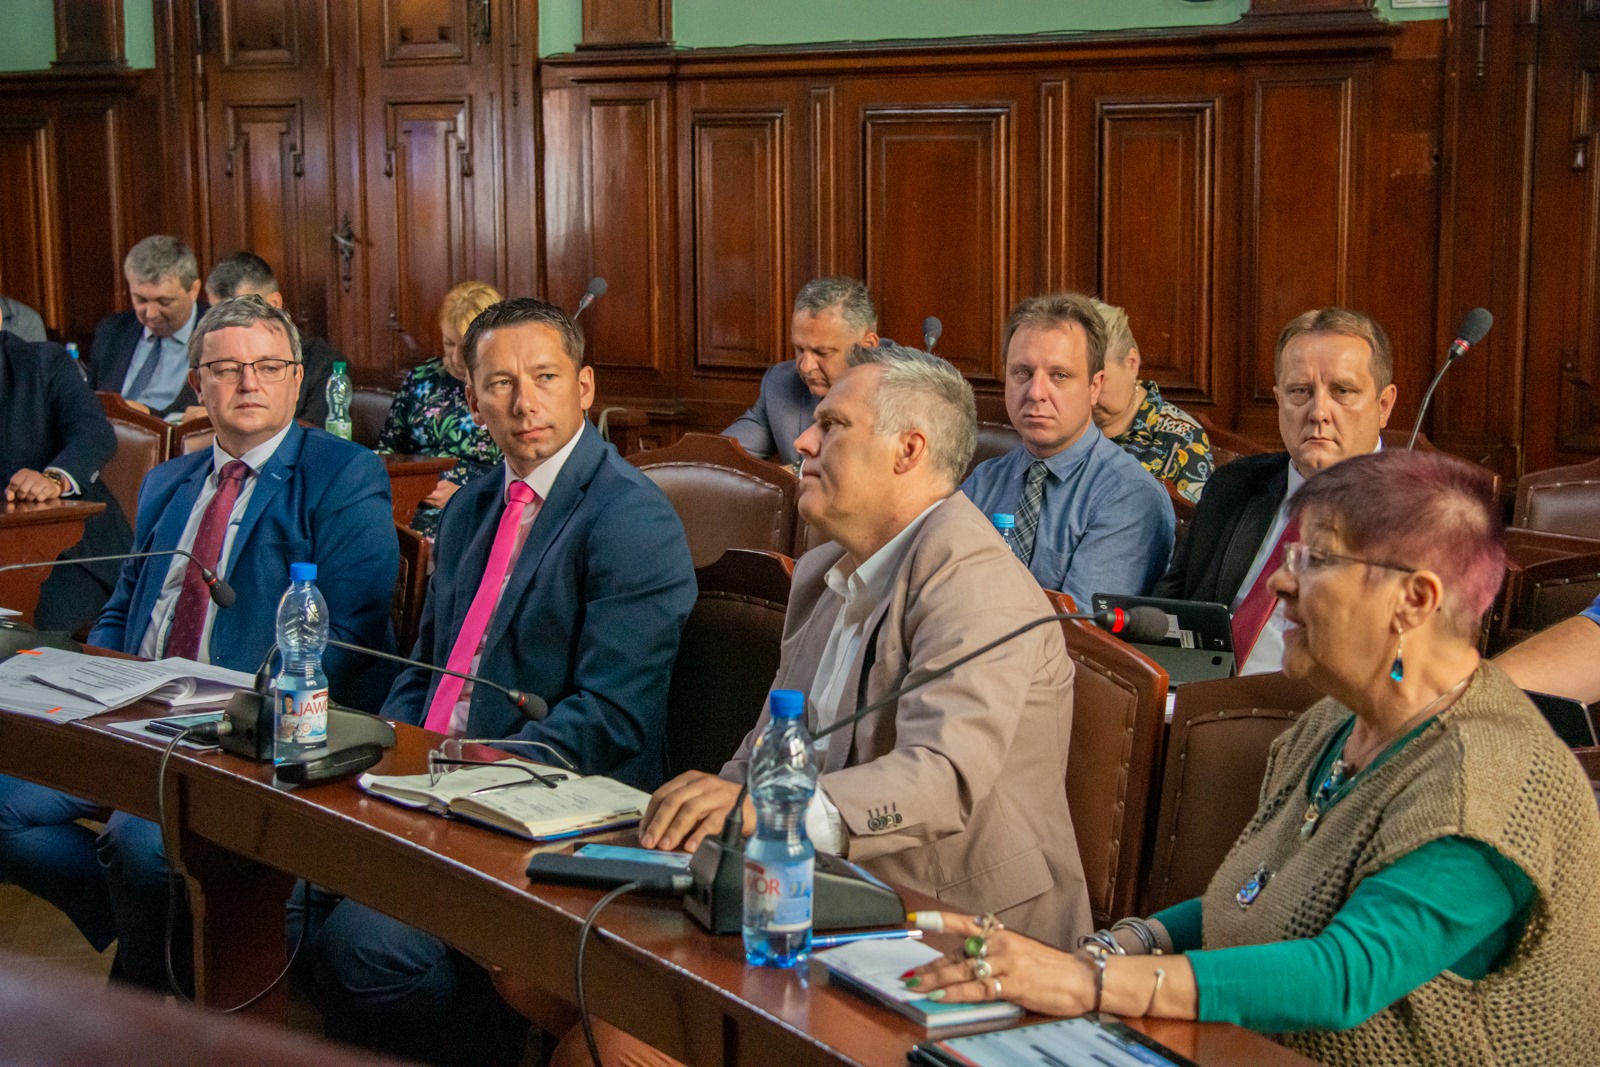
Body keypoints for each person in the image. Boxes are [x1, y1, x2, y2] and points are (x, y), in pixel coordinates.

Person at [908, 449, 1600, 1066]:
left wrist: (1087, 983)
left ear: (1414, 599)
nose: (1279, 583)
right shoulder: (1332, 723)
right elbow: (1253, 896)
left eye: (1316, 560)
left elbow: (1344, 976)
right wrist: (1112, 946)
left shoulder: (1491, 781)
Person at [560, 345, 1091, 1067]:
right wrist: (707, 822)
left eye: (833, 425)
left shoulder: (975, 579)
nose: (804, 441)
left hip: (962, 939)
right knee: (554, 973)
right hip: (825, 903)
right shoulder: (822, 570)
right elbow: (770, 746)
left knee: (613, 1043)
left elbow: (940, 775)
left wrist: (765, 812)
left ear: (909, 450)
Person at [298, 297, 696, 1067]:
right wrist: (393, 753)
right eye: (501, 383)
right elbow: (426, 667)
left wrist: (465, 773)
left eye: (544, 377)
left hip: (549, 810)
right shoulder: (474, 504)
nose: (524, 402)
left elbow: (612, 717)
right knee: (285, 884)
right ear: (473, 397)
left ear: (584, 387)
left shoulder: (630, 518)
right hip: (429, 787)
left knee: (361, 947)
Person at [0, 296, 399, 997]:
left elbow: (350, 638)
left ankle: (152, 986)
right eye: (226, 368)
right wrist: (101, 692)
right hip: (132, 715)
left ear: (295, 378)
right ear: (197, 384)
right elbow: (123, 607)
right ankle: (153, 931)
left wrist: (243, 717)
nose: (248, 382)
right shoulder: (168, 481)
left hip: (241, 733)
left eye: (267, 366)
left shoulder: (343, 474)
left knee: (140, 846)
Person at [1155, 307, 1398, 675]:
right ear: (1279, 399)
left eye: (1342, 391)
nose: (1318, 412)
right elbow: (1171, 611)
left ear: (1383, 405)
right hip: (1198, 694)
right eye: (1300, 391)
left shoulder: (1416, 515)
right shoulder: (1233, 486)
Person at [962, 292, 1174, 608]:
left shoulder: (1129, 496)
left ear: (1094, 386)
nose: (1035, 392)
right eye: (1022, 373)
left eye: (1059, 375)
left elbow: (1079, 629)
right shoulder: (985, 480)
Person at [0, 301, 132, 631]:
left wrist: (54, 479)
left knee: (22, 634)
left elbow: (95, 433)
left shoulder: (43, 363)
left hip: (67, 556)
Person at [375, 281, 505, 537]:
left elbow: (528, 470)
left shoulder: (507, 387)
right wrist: (406, 487)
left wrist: (466, 493)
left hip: (480, 509)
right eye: (449, 343)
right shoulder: (421, 379)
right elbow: (387, 451)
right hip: (409, 504)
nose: (455, 358)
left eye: (465, 347)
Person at [723, 276, 880, 467]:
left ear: (867, 346)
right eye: (799, 349)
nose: (805, 367)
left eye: (821, 352)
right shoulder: (781, 384)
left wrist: (798, 472)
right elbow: (721, 457)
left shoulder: (907, 391)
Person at [1089, 298, 1213, 504]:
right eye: (1079, 381)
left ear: (1132, 363)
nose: (1089, 397)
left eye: (1099, 381)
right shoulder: (1061, 421)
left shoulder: (1181, 439)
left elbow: (1193, 521)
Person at [204, 251, 335, 424]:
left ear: (274, 304)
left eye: (242, 313)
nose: (227, 325)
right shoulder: (211, 359)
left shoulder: (323, 364)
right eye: (217, 315)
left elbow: (315, 435)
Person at [86, 235, 208, 421]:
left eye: (164, 301)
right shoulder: (111, 332)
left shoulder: (220, 332)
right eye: (141, 300)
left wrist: (147, 415)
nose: (151, 314)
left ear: (193, 290)